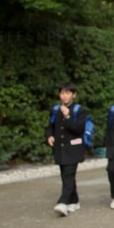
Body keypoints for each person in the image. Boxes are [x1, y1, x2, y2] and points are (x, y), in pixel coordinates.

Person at [46, 82, 87, 217]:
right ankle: (74, 200)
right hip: (60, 149)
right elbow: (50, 126)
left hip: (73, 149)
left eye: (67, 93)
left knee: (68, 175)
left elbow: (79, 129)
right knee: (65, 175)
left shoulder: (79, 110)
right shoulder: (55, 109)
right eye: (62, 93)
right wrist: (50, 136)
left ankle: (62, 202)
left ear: (73, 95)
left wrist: (68, 116)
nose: (64, 96)